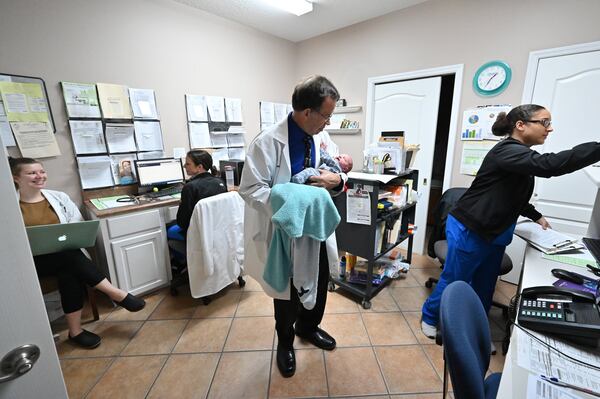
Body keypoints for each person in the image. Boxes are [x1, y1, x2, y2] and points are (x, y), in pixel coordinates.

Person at [420, 104, 600, 341]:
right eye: (544, 122)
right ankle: (430, 317)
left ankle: (474, 325)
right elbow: (550, 165)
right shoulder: (507, 150)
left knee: (485, 283)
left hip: (497, 230)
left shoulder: (521, 155)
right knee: (456, 277)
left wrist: (535, 215)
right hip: (471, 227)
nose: (550, 128)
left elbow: (512, 192)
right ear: (520, 125)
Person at [239, 75, 347, 378]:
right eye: (325, 115)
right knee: (287, 295)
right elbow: (249, 190)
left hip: (317, 228)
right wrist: (289, 196)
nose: (328, 122)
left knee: (320, 280)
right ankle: (285, 342)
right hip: (286, 233)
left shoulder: (320, 136)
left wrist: (337, 180)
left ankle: (309, 328)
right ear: (307, 112)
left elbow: (336, 170)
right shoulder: (267, 142)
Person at [10, 157, 146, 349]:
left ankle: (76, 332)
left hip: (63, 258)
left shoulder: (58, 197)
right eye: (32, 173)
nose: (39, 176)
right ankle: (116, 294)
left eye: (42, 171)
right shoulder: (8, 207)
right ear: (16, 178)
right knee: (69, 258)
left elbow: (77, 226)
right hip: (31, 262)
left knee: (69, 269)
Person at [167, 150, 227, 247]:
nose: (184, 166)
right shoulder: (220, 182)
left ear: (199, 167)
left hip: (198, 233)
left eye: (187, 164)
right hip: (217, 231)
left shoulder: (190, 187)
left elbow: (182, 222)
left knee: (168, 227)